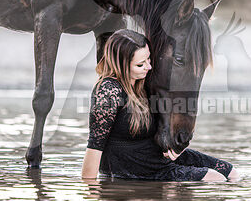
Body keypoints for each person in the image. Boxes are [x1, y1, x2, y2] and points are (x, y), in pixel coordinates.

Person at [82, 29, 239, 181]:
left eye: (149, 59)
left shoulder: (144, 82)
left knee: (230, 172)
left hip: (156, 156)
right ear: (121, 64)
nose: (149, 67)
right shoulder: (108, 90)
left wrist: (177, 148)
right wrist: (93, 193)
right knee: (214, 178)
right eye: (140, 64)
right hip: (133, 166)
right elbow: (95, 145)